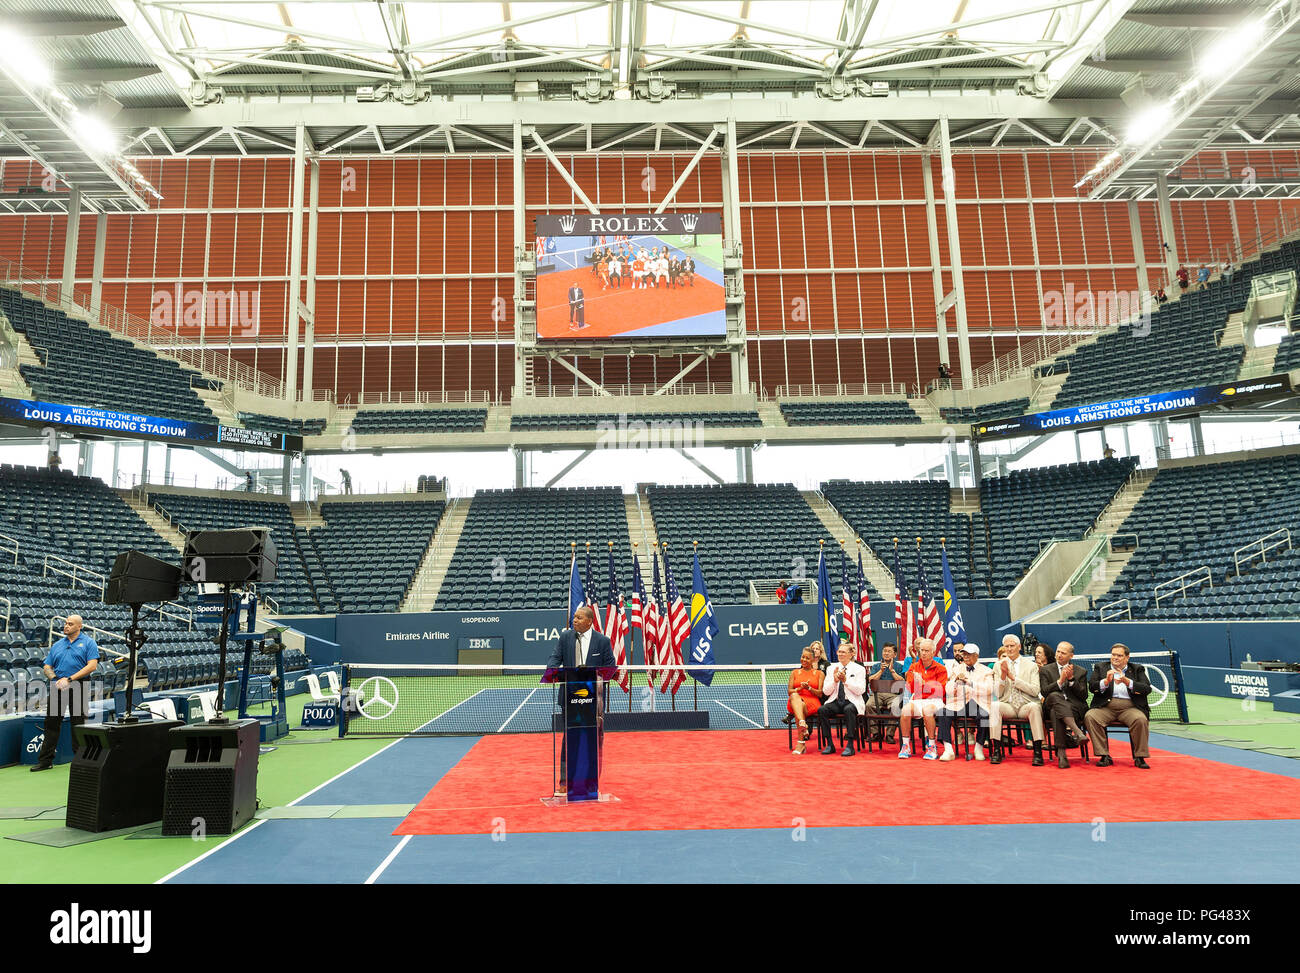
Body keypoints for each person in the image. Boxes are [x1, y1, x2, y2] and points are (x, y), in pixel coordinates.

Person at [31, 615, 99, 771]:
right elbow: (47, 667)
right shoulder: (57, 645)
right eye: (65, 623)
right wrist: (55, 679)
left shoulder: (89, 643)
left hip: (78, 685)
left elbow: (92, 666)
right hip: (58, 685)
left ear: (79, 626)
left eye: (70, 624)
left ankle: (80, 763)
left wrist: (69, 679)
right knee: (51, 723)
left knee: (78, 724)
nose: (66, 626)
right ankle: (45, 761)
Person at [1085, 643, 1152, 769]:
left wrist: (1127, 682)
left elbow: (1146, 689)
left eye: (1119, 655)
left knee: (1140, 720)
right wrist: (1105, 682)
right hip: (1106, 706)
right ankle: (1104, 755)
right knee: (1090, 717)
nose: (1115, 657)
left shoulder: (1137, 669)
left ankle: (1140, 757)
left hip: (1130, 708)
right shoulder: (1100, 667)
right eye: (1113, 655)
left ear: (1127, 658)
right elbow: (1092, 687)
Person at [988, 634, 1045, 765]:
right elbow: (997, 693)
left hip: (1026, 703)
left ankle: (1037, 752)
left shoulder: (1031, 666)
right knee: (995, 706)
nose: (1009, 649)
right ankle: (996, 750)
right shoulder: (998, 665)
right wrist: (1003, 677)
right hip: (1008, 704)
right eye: (1006, 646)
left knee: (1035, 708)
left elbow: (1035, 690)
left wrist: (1013, 679)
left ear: (1019, 647)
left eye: (1012, 646)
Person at [937, 642, 993, 761]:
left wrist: (970, 683)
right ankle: (948, 749)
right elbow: (948, 690)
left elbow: (989, 689)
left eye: (969, 654)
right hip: (959, 704)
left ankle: (979, 748)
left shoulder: (987, 670)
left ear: (976, 656)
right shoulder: (956, 669)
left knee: (984, 716)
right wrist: (956, 682)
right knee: (942, 712)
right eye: (964, 654)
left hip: (978, 703)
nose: (966, 657)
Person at [1040, 641, 1089, 768]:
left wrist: (1072, 679)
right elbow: (1044, 691)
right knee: (1055, 696)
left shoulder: (1080, 671)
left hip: (1073, 708)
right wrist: (1060, 681)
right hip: (1050, 703)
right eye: (1058, 651)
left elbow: (1084, 696)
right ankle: (1077, 732)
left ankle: (1061, 753)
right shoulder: (1045, 670)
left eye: (1063, 653)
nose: (1059, 655)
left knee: (1057, 712)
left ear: (1071, 656)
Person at [898, 637, 947, 759]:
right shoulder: (913, 667)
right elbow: (911, 688)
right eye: (921, 650)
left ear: (933, 652)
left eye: (926, 650)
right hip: (918, 699)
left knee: (927, 711)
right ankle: (905, 746)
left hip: (936, 700)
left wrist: (924, 684)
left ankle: (931, 746)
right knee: (905, 710)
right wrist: (916, 683)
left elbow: (941, 690)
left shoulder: (941, 668)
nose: (923, 653)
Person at [817, 640, 867, 757]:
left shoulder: (859, 669)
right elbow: (826, 691)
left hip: (852, 701)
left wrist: (845, 681)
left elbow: (861, 690)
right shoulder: (831, 668)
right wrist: (834, 681)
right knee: (822, 710)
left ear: (851, 654)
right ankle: (829, 744)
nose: (840, 654)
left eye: (844, 652)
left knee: (848, 709)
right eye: (839, 652)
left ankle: (850, 745)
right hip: (835, 701)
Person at [865, 642, 905, 743]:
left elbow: (902, 682)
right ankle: (876, 733)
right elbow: (871, 680)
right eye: (884, 651)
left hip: (893, 694)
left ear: (895, 655)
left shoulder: (899, 666)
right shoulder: (876, 666)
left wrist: (892, 671)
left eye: (889, 651)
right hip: (877, 694)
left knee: (896, 706)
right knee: (869, 705)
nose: (886, 653)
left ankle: (889, 735)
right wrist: (881, 671)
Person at [786, 647, 823, 755]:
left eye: (807, 658)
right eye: (803, 657)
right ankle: (802, 724)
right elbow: (789, 691)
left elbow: (820, 693)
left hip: (812, 702)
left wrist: (809, 688)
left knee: (798, 707)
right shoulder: (794, 672)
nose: (804, 660)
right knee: (794, 696)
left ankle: (801, 743)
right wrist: (800, 689)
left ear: (813, 660)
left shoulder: (819, 674)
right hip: (795, 701)